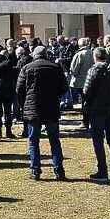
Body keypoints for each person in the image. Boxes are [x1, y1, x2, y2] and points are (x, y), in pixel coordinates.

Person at [17, 46, 69, 180]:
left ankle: (35, 170)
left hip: (33, 108)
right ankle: (59, 170)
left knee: (33, 141)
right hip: (51, 107)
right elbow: (64, 88)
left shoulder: (27, 68)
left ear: (34, 55)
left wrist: (24, 104)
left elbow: (19, 89)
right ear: (45, 54)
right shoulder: (55, 68)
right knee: (54, 140)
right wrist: (55, 96)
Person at [83, 47, 110, 181]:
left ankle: (102, 170)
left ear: (95, 57)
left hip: (97, 108)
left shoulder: (94, 70)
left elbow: (87, 90)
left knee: (98, 139)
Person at [69, 38, 94, 128]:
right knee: (89, 101)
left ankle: (85, 122)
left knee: (84, 102)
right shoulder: (92, 53)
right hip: (91, 80)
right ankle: (90, 121)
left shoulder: (79, 54)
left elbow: (74, 69)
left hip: (81, 82)